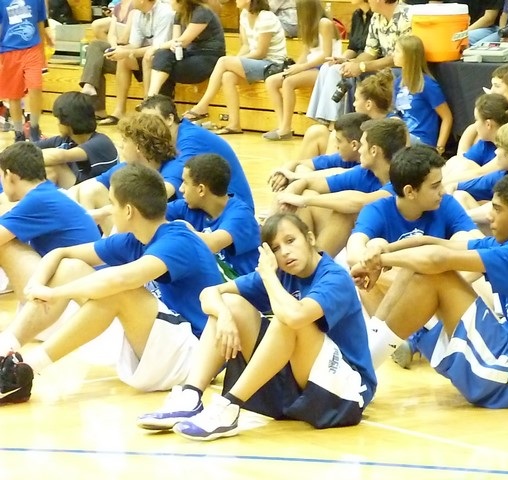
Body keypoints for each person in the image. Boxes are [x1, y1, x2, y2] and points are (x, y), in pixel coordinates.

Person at [357, 172, 508, 407]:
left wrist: (379, 262)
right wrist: (382, 251)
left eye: (497, 209)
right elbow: (429, 243)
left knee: (433, 275)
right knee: (417, 263)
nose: (489, 215)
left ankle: (360, 374)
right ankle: (366, 359)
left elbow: (437, 259)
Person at [137, 213, 376, 440]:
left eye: (290, 240)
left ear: (310, 239)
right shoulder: (281, 274)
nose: (285, 252)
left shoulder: (334, 277)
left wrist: (269, 277)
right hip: (298, 385)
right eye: (275, 248)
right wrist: (224, 315)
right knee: (231, 303)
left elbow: (295, 316)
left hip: (346, 392)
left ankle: (229, 406)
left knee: (287, 317)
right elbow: (209, 293)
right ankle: (190, 396)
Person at [0, 164, 223, 395]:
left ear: (128, 211)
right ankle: (6, 346)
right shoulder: (134, 239)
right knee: (71, 267)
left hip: (197, 355)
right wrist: (36, 285)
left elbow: (121, 280)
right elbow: (61, 253)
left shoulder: (177, 240)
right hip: (161, 340)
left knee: (118, 290)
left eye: (112, 203)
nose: (109, 210)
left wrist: (55, 293)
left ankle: (25, 371)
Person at [347, 144, 482, 315]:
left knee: (463, 238)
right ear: (410, 191)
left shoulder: (446, 203)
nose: (442, 191)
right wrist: (380, 256)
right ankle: (382, 329)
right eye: (435, 186)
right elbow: (354, 253)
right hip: (396, 303)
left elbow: (481, 245)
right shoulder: (377, 210)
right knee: (374, 247)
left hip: (440, 297)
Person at [0, 142, 100, 320]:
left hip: (70, 301)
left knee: (6, 243)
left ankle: (30, 314)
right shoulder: (45, 192)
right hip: (81, 289)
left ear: (10, 175)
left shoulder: (38, 200)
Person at [277, 118, 406, 255]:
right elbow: (314, 182)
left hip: (392, 247)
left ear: (374, 151)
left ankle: (315, 263)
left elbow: (359, 202)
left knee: (345, 214)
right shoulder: (365, 172)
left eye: (362, 145)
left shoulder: (402, 179)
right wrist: (291, 193)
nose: (360, 150)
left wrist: (304, 201)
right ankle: (299, 256)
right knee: (305, 194)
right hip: (367, 240)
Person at [180, 0, 287, 135]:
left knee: (224, 61)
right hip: (257, 63)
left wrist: (234, 61)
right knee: (227, 76)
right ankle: (234, 124)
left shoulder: (266, 17)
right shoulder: (244, 15)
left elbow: (261, 52)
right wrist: (235, 62)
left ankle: (202, 106)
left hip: (273, 64)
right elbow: (246, 46)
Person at [139, 95, 255, 211]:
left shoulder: (191, 138)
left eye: (152, 119)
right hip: (204, 205)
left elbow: (170, 184)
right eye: (143, 121)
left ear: (170, 119)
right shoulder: (168, 140)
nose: (147, 126)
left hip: (233, 210)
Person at [70, 112, 181, 233]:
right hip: (131, 226)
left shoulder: (173, 166)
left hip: (160, 230)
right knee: (90, 190)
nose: (121, 145)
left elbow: (155, 196)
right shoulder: (127, 167)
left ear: (139, 146)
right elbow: (82, 187)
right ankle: (93, 238)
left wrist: (105, 211)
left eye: (124, 140)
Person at [167, 154, 260, 277]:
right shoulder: (188, 206)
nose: (181, 189)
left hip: (243, 284)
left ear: (201, 189)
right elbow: (151, 213)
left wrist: (181, 226)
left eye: (185, 182)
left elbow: (211, 244)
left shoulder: (241, 215)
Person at [263, 0, 341, 140]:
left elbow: (327, 54)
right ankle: (282, 124)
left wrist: (301, 67)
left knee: (288, 82)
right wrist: (293, 69)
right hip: (311, 66)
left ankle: (286, 128)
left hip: (325, 68)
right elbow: (305, 53)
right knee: (271, 81)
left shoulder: (325, 23)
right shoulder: (308, 26)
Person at [97, 0, 175, 126]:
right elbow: (135, 44)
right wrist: (119, 50)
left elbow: (159, 47)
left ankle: (147, 106)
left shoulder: (165, 13)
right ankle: (119, 111)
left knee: (148, 56)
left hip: (165, 55)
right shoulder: (138, 13)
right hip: (145, 53)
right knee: (123, 59)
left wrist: (127, 52)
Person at [297, 69, 394, 161]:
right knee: (316, 132)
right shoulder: (365, 120)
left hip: (359, 167)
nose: (354, 104)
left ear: (368, 104)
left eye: (356, 100)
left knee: (336, 136)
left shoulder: (388, 127)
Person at [305, 0, 373, 124]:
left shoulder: (375, 16)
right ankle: (321, 118)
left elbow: (371, 53)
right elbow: (353, 47)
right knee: (327, 66)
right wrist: (340, 59)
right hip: (355, 59)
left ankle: (334, 121)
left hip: (368, 62)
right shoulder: (357, 15)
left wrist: (348, 61)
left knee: (336, 71)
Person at [35, 92, 119, 189]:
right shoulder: (65, 140)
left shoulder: (101, 143)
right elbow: (29, 148)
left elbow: (59, 156)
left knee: (54, 168)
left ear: (69, 121)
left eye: (58, 119)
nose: (57, 123)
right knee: (48, 169)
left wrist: (24, 159)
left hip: (101, 195)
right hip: (80, 191)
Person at [269, 112, 370, 192]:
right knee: (301, 170)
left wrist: (294, 177)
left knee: (306, 193)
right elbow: (299, 163)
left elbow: (339, 173)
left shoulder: (367, 168)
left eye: (339, 141)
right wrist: (283, 172)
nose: (336, 146)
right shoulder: (345, 157)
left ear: (354, 145)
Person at [147, 0, 226, 98]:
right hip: (189, 54)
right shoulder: (179, 14)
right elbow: (175, 42)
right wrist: (161, 49)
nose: (169, 2)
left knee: (163, 66)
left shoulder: (202, 12)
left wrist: (156, 47)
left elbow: (183, 42)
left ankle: (154, 100)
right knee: (161, 55)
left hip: (208, 58)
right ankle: (152, 98)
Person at [0, 0, 53, 142]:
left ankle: (34, 128)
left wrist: (43, 48)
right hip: (8, 51)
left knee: (35, 86)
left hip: (33, 49)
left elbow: (40, 23)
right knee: (14, 95)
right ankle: (19, 133)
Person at [444, 93, 508, 180]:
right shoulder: (485, 144)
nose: (475, 125)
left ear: (488, 124)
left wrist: (444, 182)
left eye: (476, 120)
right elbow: (461, 161)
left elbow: (478, 173)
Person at [393, 35, 452, 151]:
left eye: (397, 51)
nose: (392, 54)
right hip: (403, 138)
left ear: (409, 56)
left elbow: (447, 117)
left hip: (422, 141)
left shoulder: (427, 84)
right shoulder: (397, 83)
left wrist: (439, 149)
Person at [80, 0, 136, 120]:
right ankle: (98, 107)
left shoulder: (136, 6)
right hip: (120, 50)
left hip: (133, 55)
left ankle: (90, 86)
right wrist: (114, 47)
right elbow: (111, 34)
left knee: (98, 60)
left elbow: (126, 37)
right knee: (95, 50)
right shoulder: (118, 7)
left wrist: (119, 46)